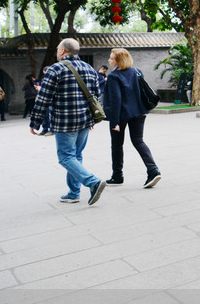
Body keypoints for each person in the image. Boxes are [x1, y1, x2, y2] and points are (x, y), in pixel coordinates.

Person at [29, 38, 106, 206]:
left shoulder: (55, 69)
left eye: (57, 49)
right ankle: (73, 193)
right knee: (76, 156)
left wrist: (34, 122)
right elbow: (96, 96)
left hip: (65, 122)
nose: (57, 51)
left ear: (63, 51)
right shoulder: (89, 68)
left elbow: (43, 99)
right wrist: (92, 118)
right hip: (85, 121)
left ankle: (93, 182)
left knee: (65, 157)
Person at [103, 48, 161, 188]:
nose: (109, 60)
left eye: (111, 58)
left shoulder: (113, 76)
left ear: (118, 61)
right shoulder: (137, 71)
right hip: (139, 112)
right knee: (138, 141)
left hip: (121, 115)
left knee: (117, 145)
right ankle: (153, 170)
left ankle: (117, 176)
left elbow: (116, 100)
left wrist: (115, 122)